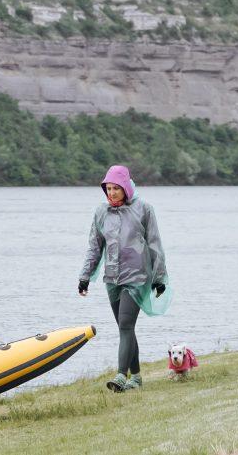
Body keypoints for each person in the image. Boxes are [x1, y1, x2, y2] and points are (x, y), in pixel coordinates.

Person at [78, 165, 171, 392]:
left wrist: (159, 278)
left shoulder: (144, 209)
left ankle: (121, 376)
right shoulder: (101, 213)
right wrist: (85, 276)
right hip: (112, 278)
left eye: (116, 189)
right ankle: (136, 378)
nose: (111, 193)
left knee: (126, 325)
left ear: (126, 188)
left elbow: (155, 245)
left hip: (138, 277)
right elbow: (94, 247)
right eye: (108, 189)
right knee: (125, 328)